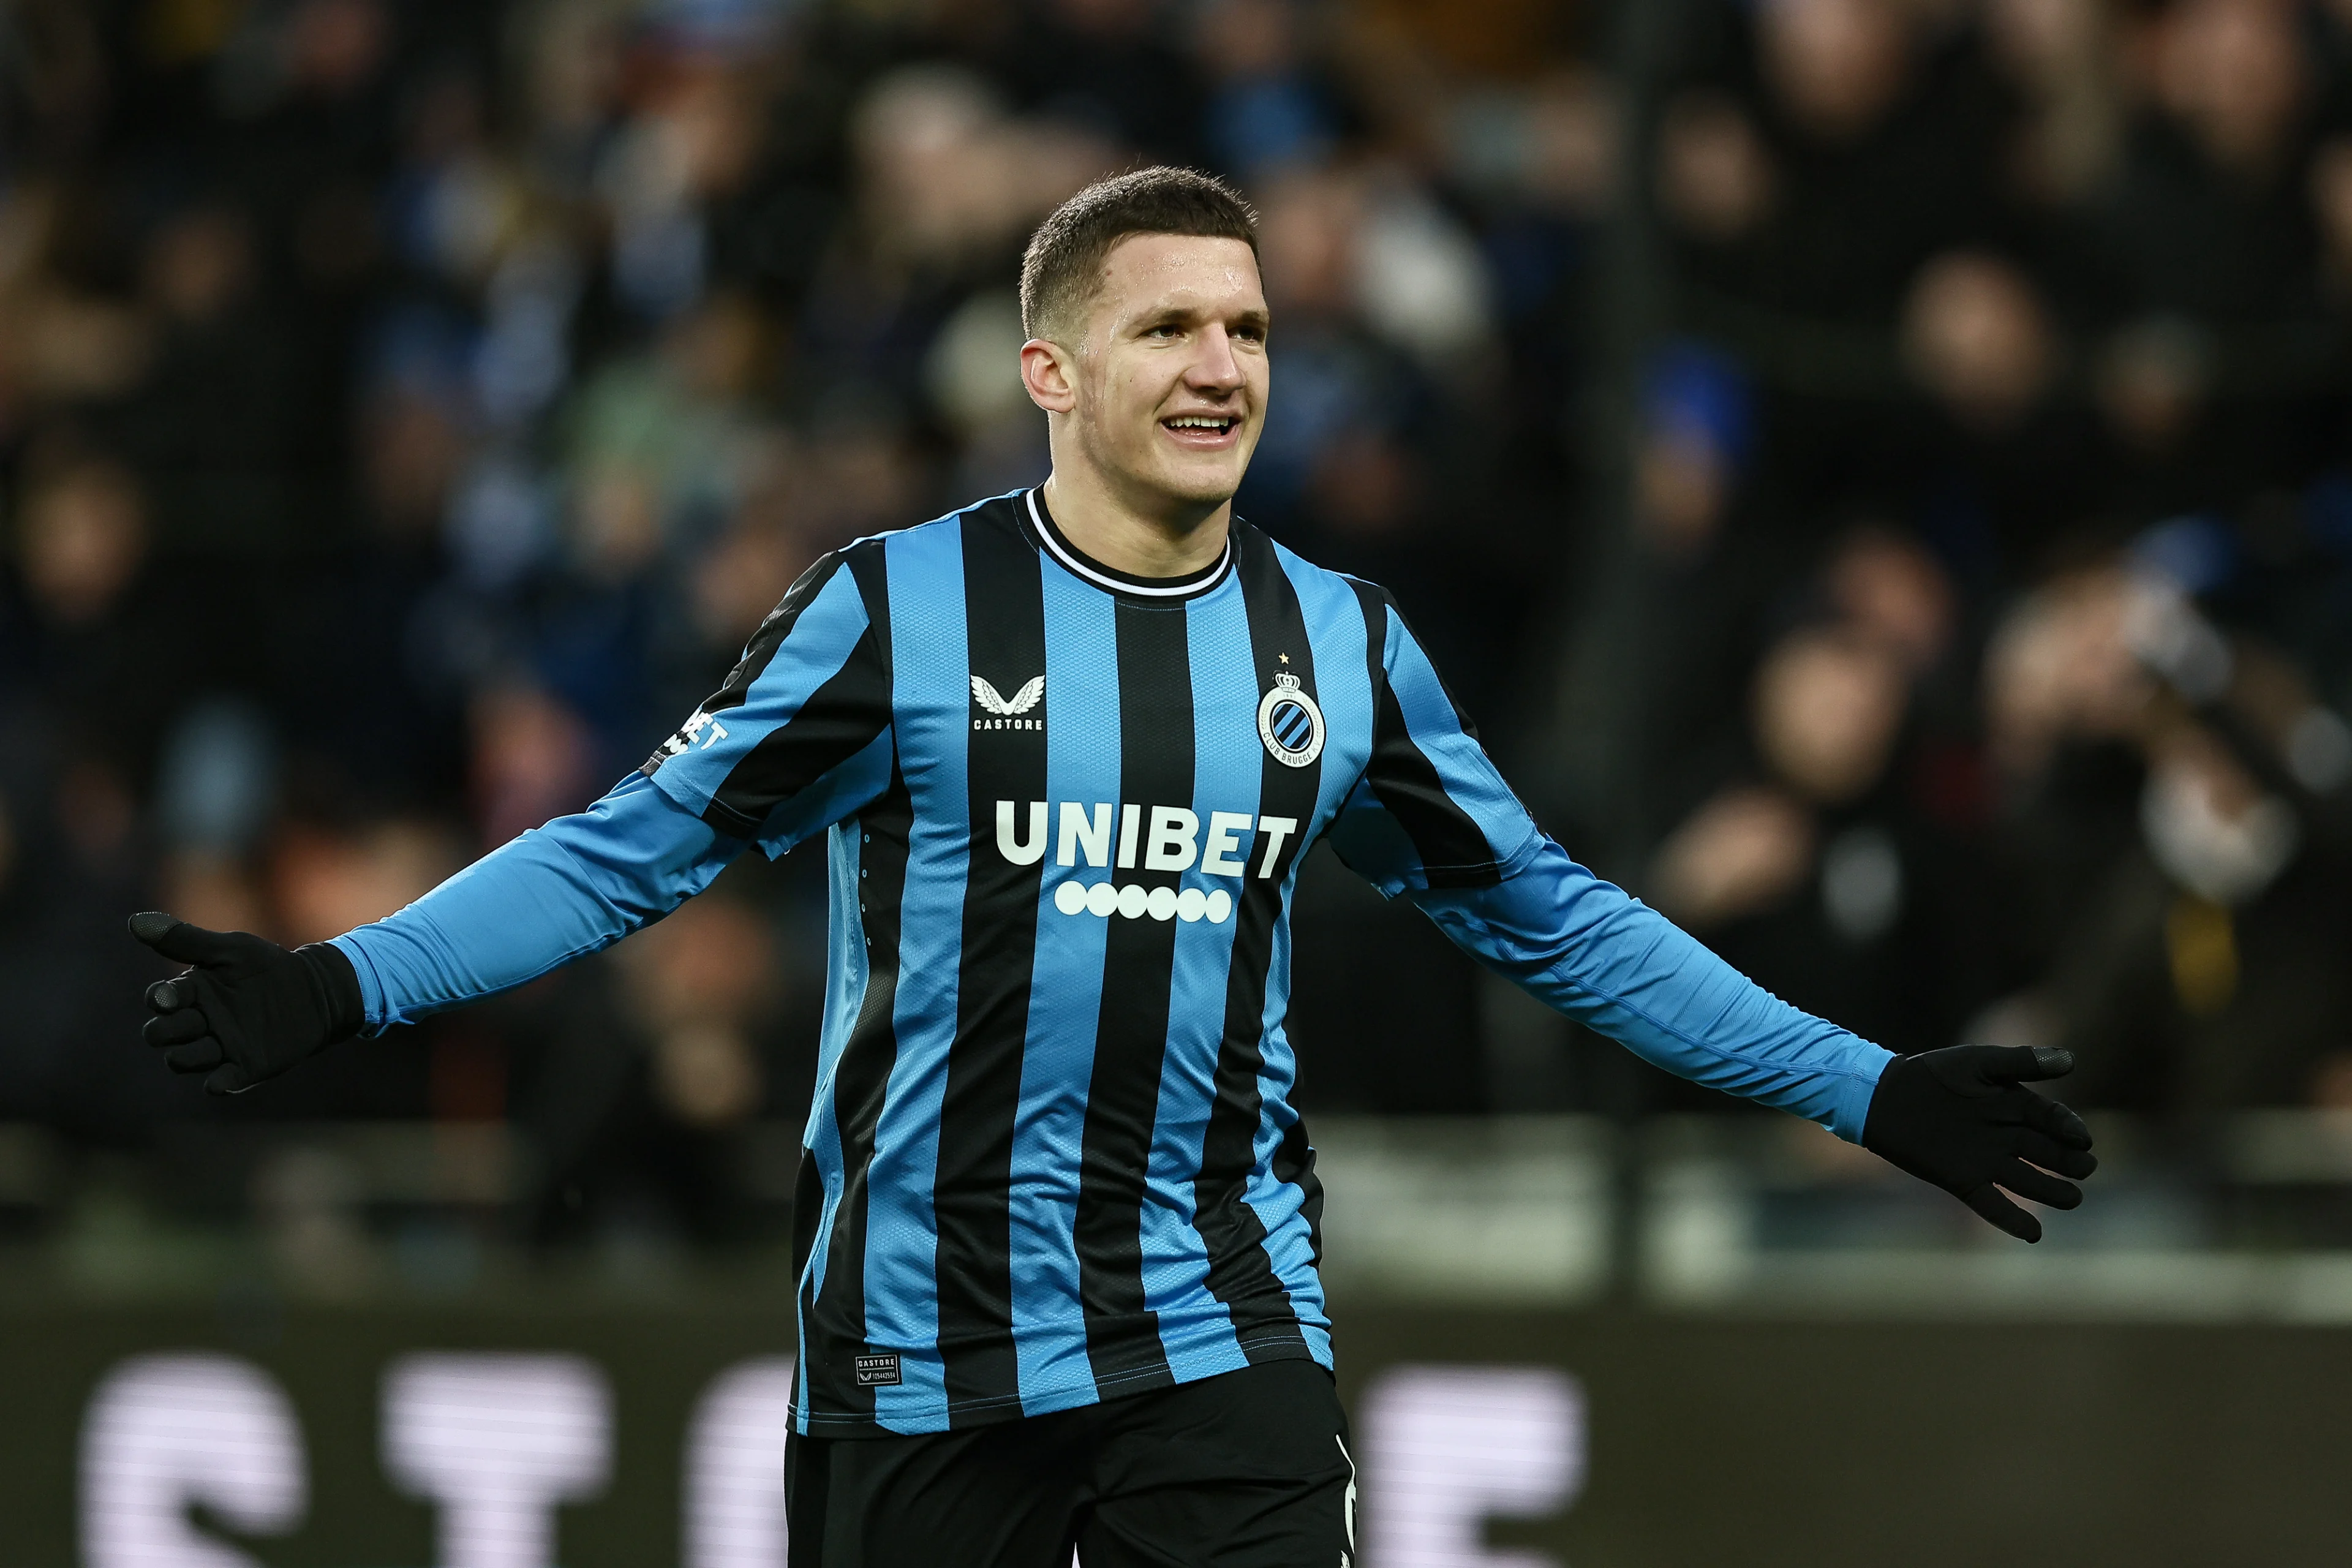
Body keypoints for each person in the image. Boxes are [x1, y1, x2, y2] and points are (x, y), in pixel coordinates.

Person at [129, 168, 2095, 1568]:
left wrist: (1871, 1086)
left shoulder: (1340, 648)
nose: (1223, 362)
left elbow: (1559, 918)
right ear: (1052, 376)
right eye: (1170, 324)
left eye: (1249, 325)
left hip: (1218, 1325)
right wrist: (339, 978)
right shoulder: (894, 614)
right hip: (915, 1340)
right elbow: (622, 856)